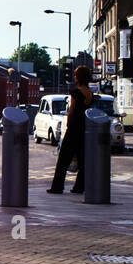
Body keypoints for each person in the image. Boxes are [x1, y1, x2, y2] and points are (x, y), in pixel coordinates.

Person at [46, 64, 95, 195]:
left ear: (79, 77)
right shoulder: (90, 93)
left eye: (75, 75)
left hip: (73, 128)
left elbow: (72, 111)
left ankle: (57, 187)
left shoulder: (75, 92)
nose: (74, 77)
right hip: (84, 128)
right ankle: (79, 187)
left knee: (63, 159)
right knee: (82, 159)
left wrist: (68, 123)